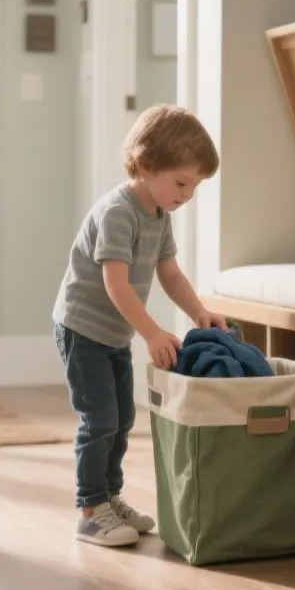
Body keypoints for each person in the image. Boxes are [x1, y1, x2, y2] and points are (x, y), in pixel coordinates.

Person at [52, 105, 226, 547]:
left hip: (114, 333)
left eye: (195, 186)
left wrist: (198, 313)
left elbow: (170, 273)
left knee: (124, 417)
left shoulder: (158, 216)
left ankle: (110, 497)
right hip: (82, 330)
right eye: (182, 182)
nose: (187, 194)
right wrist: (151, 331)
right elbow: (115, 283)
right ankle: (91, 510)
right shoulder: (118, 212)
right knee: (100, 419)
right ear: (147, 167)